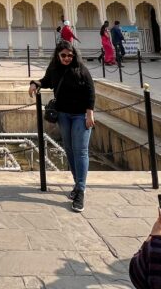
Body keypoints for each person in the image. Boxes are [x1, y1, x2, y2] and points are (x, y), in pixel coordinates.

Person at [29, 41, 95, 212]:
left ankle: (80, 189)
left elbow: (90, 91)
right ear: (58, 55)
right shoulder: (55, 69)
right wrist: (35, 83)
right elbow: (46, 81)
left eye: (70, 55)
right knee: (70, 150)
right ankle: (77, 183)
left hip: (81, 115)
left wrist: (90, 113)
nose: (67, 58)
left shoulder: (81, 69)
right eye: (64, 55)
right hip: (64, 115)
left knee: (80, 151)